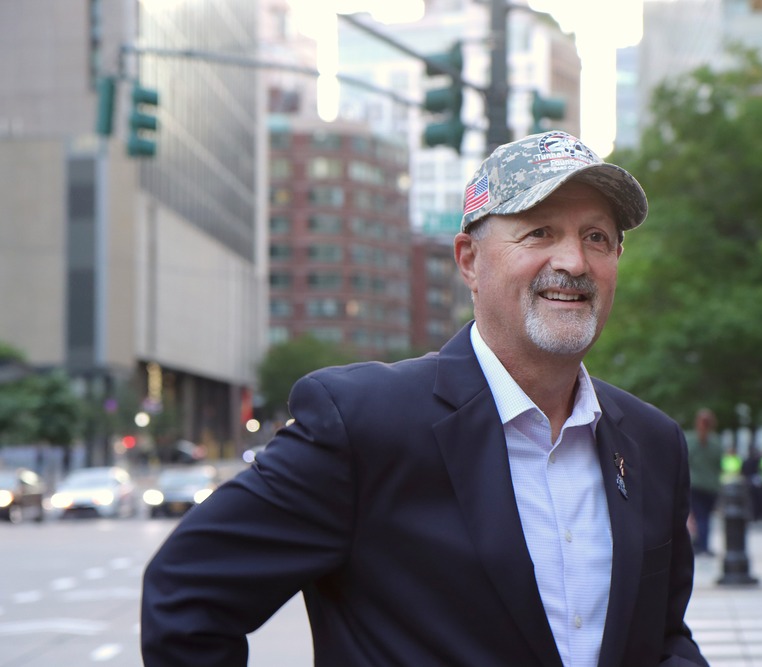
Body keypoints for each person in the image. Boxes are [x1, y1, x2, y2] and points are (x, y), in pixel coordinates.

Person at [140, 130, 710, 667]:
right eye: (539, 232)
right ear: (469, 260)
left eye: (597, 238)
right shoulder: (362, 424)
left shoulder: (653, 442)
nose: (573, 262)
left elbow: (662, 637)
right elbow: (186, 596)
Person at [684, 408, 723, 556]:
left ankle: (702, 545)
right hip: (711, 485)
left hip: (696, 484)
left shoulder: (691, 440)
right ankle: (703, 544)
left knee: (699, 516)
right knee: (706, 516)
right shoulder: (716, 442)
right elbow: (719, 464)